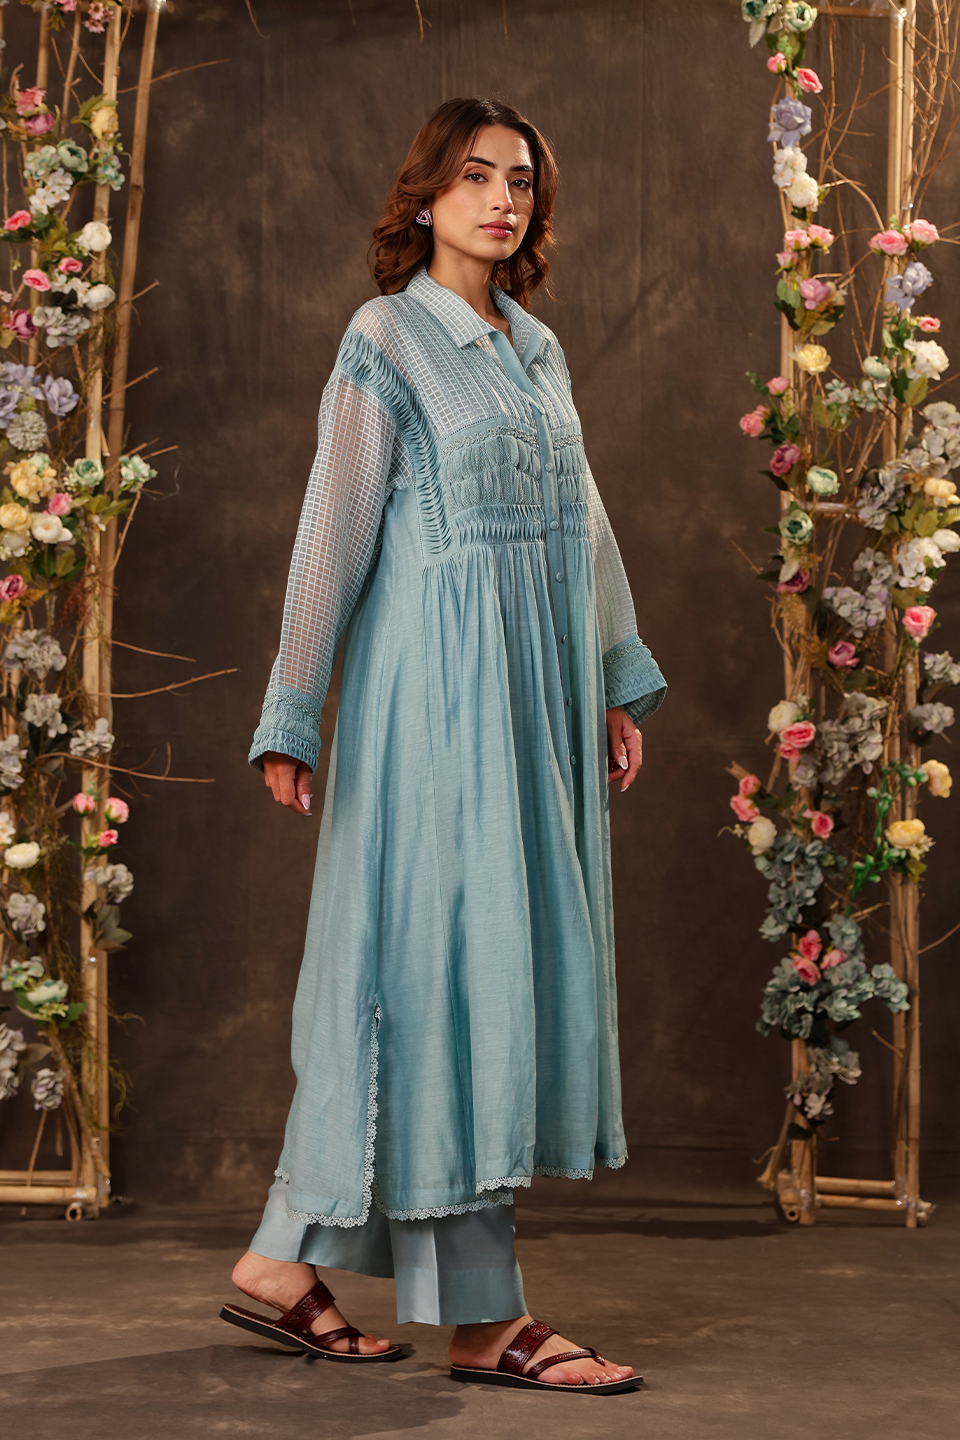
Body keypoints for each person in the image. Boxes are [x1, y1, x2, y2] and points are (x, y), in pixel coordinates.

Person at [221, 96, 666, 1393]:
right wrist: (292, 710)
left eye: (520, 181)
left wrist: (613, 675)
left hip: (532, 703)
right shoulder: (386, 339)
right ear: (425, 196)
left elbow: (585, 519)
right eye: (475, 176)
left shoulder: (538, 348)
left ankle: (280, 1263)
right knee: (443, 974)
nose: (502, 200)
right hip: (434, 705)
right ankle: (483, 1320)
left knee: (454, 973)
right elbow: (333, 530)